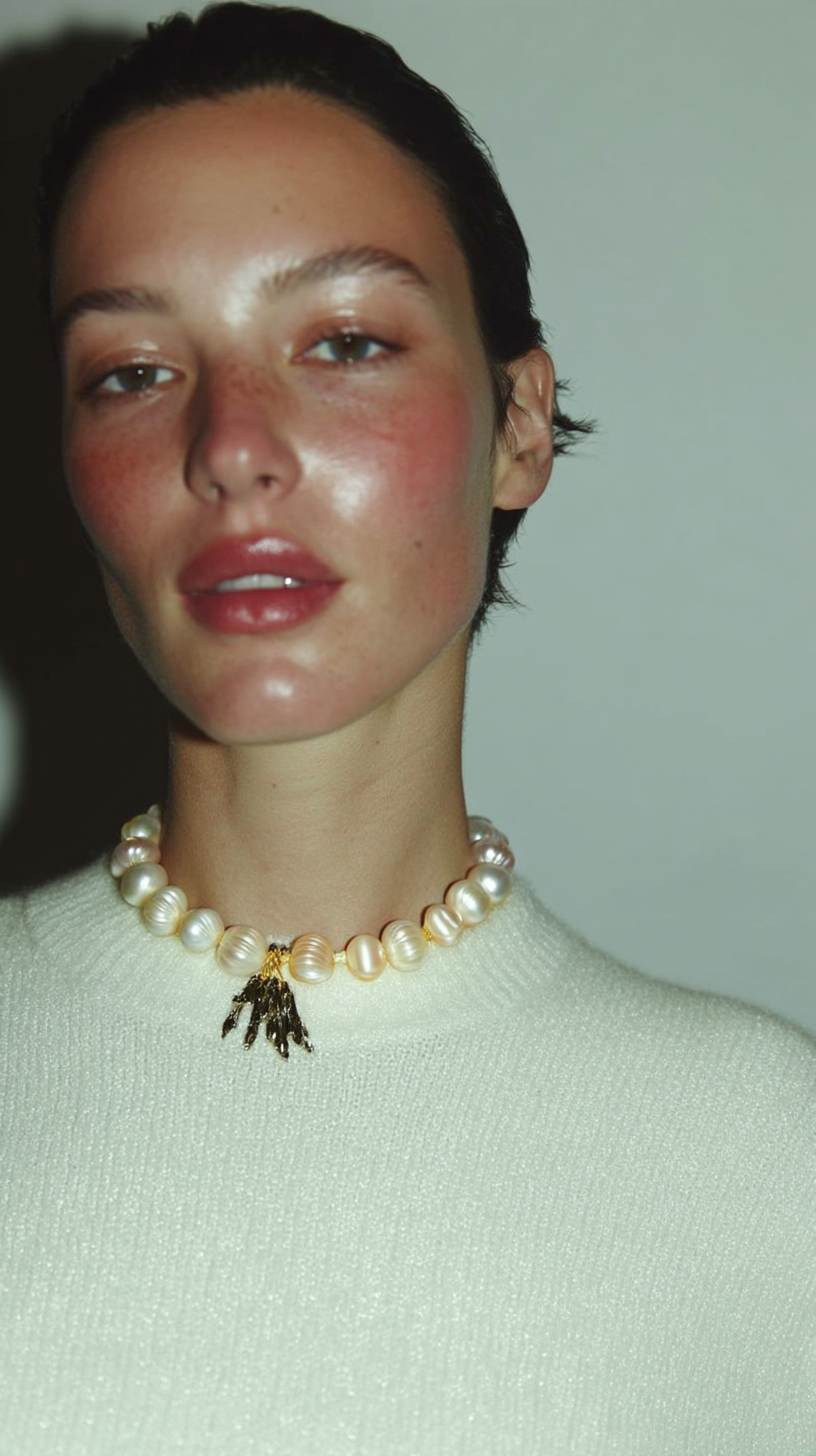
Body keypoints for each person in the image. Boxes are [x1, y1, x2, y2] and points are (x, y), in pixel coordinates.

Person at [1, 5, 813, 1452]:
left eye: (346, 340)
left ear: (517, 427)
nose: (231, 444)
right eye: (130, 370)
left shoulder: (765, 1158)